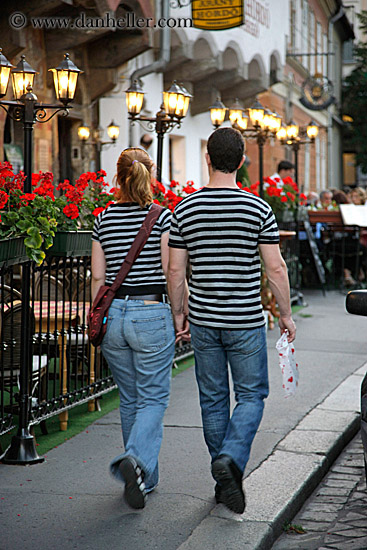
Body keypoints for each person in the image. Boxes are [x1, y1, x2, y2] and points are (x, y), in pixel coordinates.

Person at [167, 128, 296, 515]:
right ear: (242, 161)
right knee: (252, 395)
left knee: (213, 399)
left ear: (207, 159)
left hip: (204, 320)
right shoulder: (258, 209)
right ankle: (232, 459)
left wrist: (179, 313)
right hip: (245, 320)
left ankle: (223, 478)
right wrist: (286, 314)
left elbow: (176, 271)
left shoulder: (185, 209)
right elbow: (275, 268)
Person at [91, 147, 175, 509]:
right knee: (154, 397)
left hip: (114, 317)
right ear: (149, 174)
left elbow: (98, 276)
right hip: (150, 311)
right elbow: (171, 271)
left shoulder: (103, 218)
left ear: (118, 176)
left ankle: (143, 477)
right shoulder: (163, 218)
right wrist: (181, 313)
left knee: (131, 398)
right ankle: (137, 463)